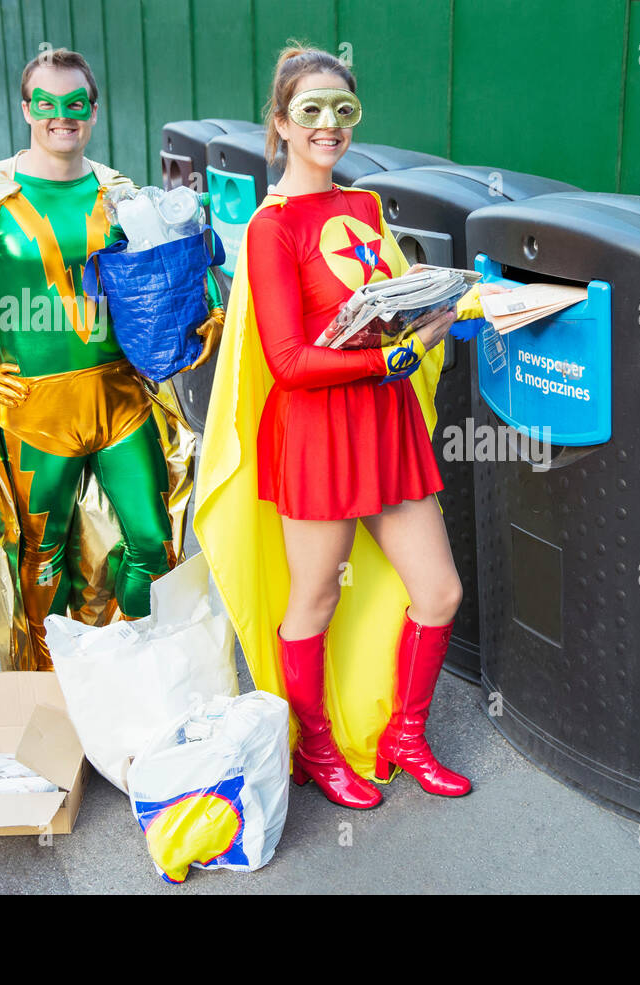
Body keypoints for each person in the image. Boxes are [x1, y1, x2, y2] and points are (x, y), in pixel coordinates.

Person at [195, 45, 496, 808]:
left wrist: (449, 309)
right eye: (311, 111)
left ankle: (405, 735)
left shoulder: (363, 207)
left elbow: (391, 311)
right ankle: (315, 749)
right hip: (320, 433)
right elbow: (290, 361)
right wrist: (386, 360)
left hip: (385, 424)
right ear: (281, 124)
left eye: (343, 111)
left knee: (439, 591)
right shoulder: (272, 228)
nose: (329, 126)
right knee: (316, 597)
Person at [0, 47, 223, 671]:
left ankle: (131, 672)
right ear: (26, 108)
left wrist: (203, 313)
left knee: (154, 543)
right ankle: (49, 692)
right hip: (35, 412)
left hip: (122, 399)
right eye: (47, 103)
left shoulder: (119, 194)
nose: (61, 116)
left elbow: (165, 270)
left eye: (75, 104)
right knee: (41, 560)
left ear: (93, 110)